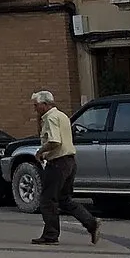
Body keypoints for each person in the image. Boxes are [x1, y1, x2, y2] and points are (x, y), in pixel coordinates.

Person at [30, 89, 98, 246]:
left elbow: (55, 141)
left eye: (36, 105)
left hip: (57, 162)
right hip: (69, 161)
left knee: (48, 199)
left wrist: (40, 152)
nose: (35, 109)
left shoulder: (51, 118)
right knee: (64, 199)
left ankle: (51, 234)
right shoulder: (61, 115)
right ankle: (91, 223)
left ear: (45, 104)